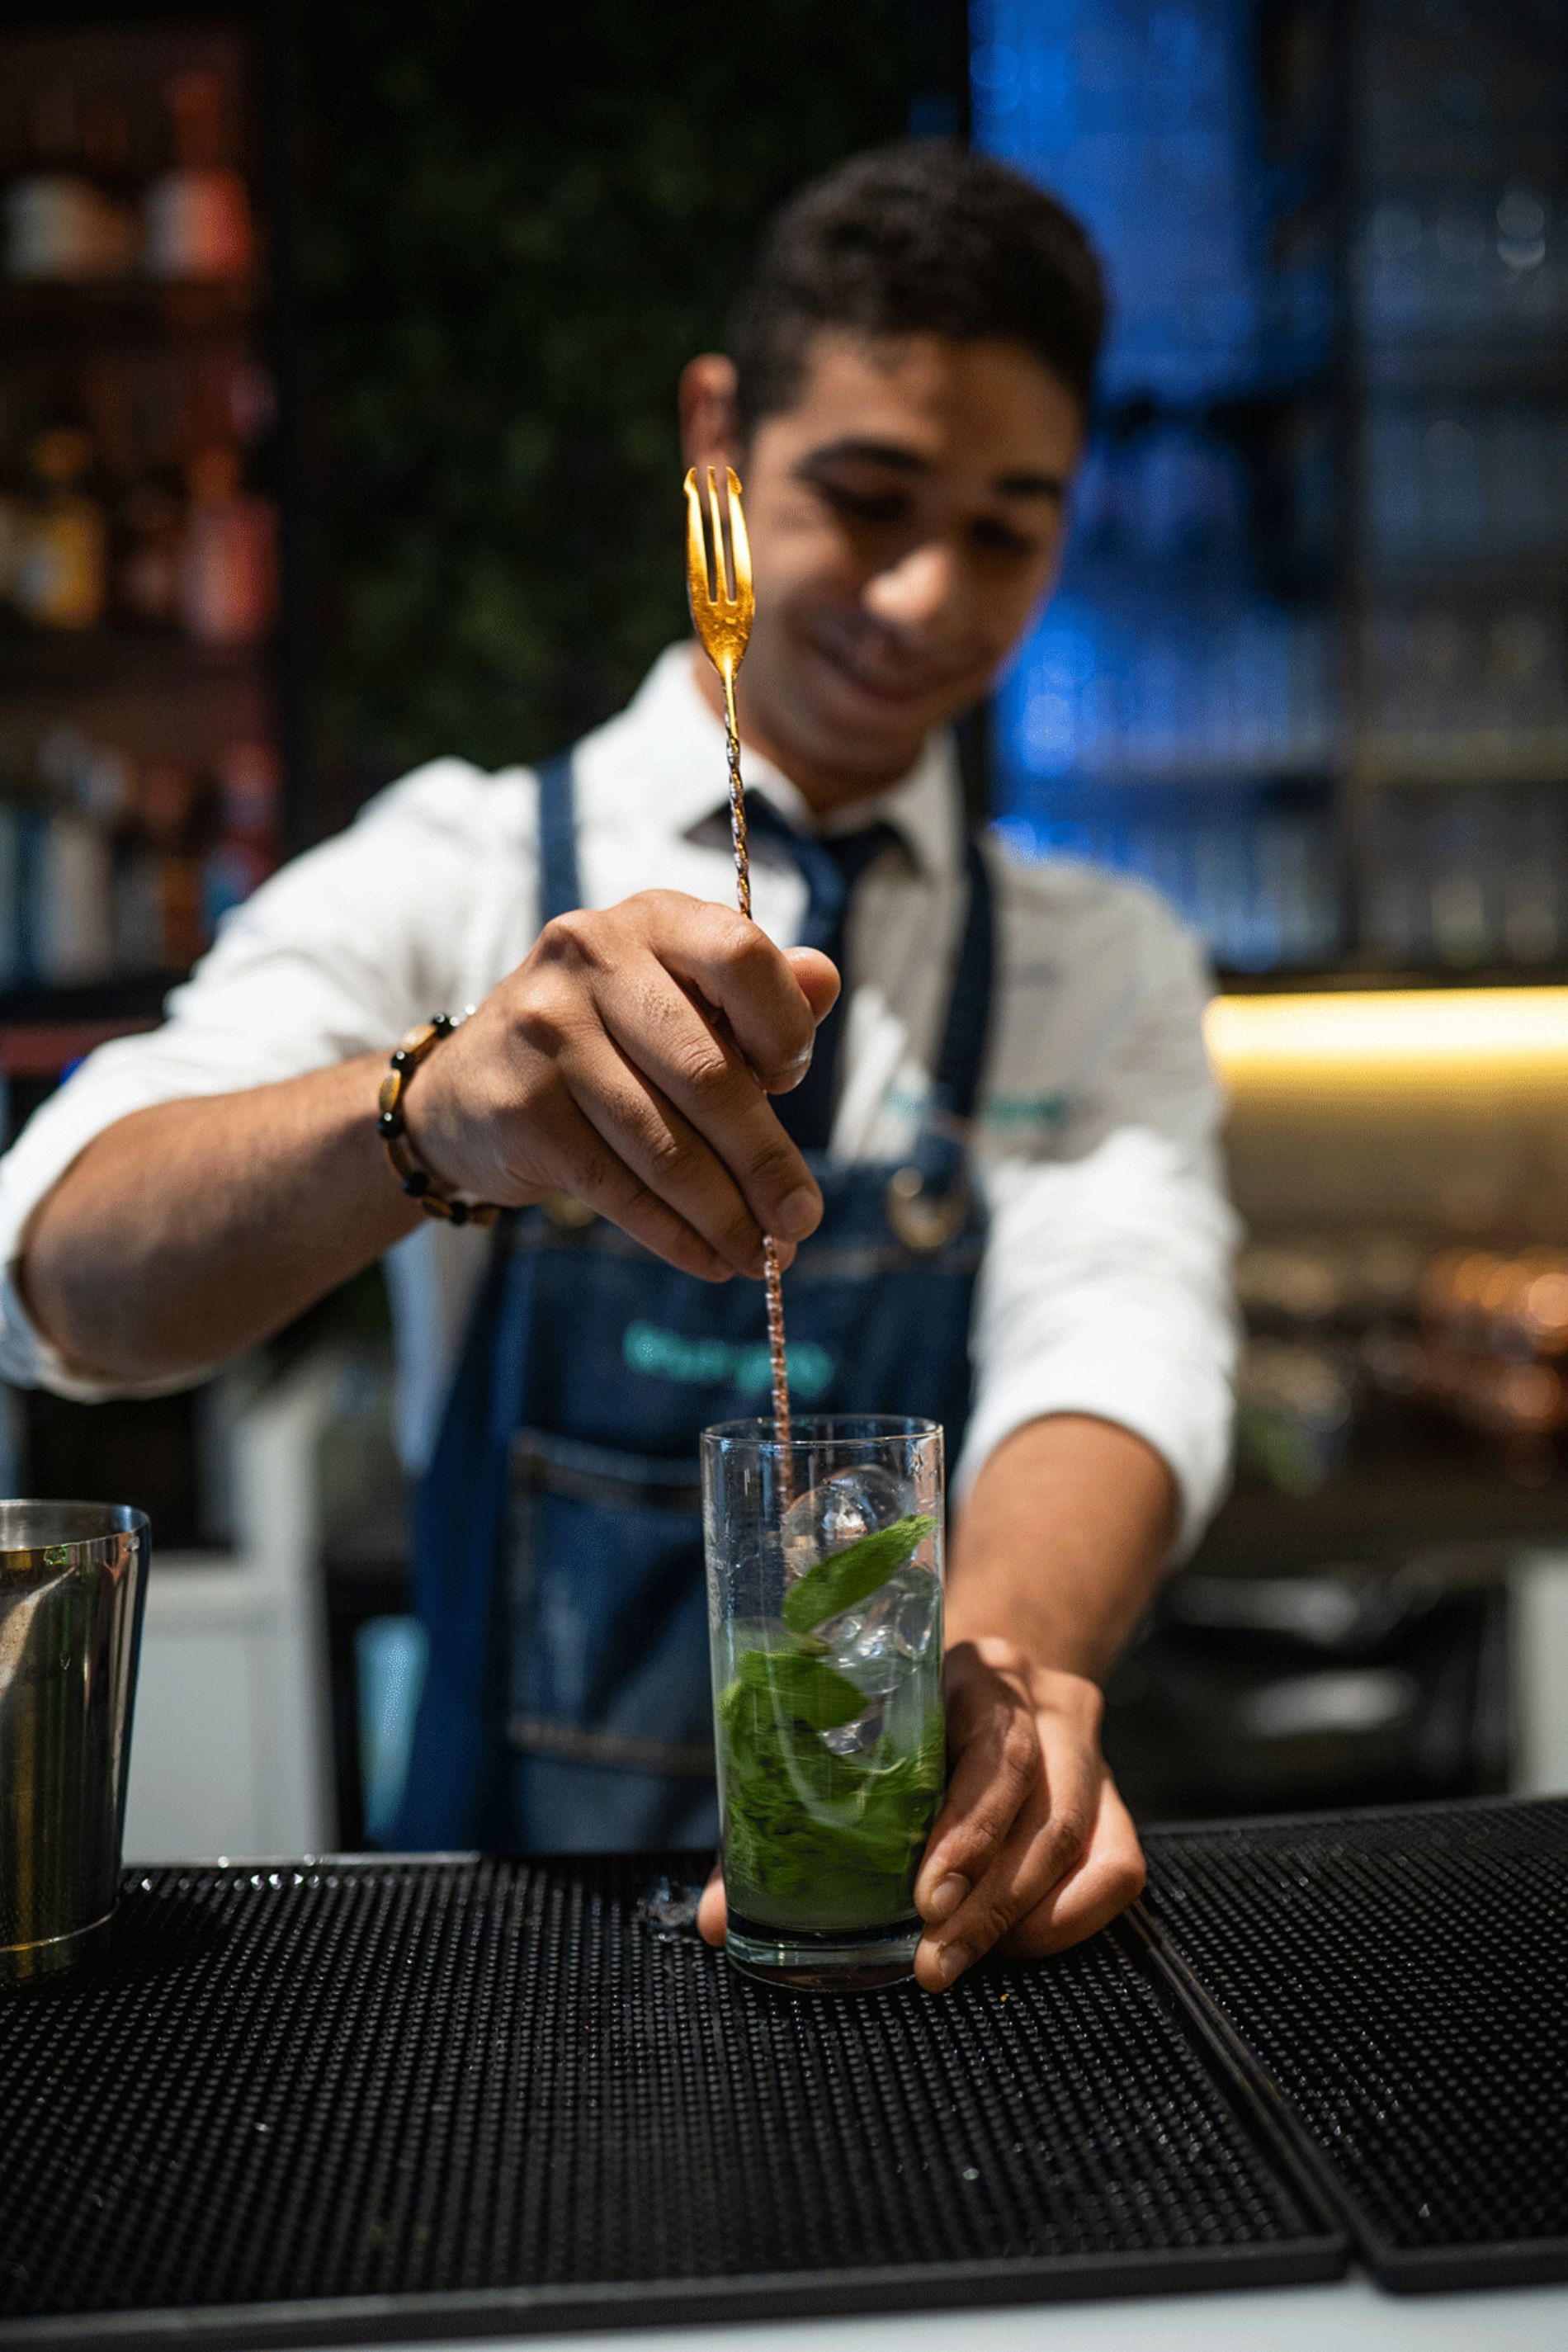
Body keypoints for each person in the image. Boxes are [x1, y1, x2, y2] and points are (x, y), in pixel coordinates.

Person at [0, 142, 1236, 1993]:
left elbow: (1118, 1339)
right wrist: (421, 1116)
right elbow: (60, 1274)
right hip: (499, 1962)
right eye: (866, 497)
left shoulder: (1098, 960)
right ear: (719, 441)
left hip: (892, 1926)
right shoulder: (460, 872)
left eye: (1004, 529)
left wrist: (1003, 1669)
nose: (919, 599)